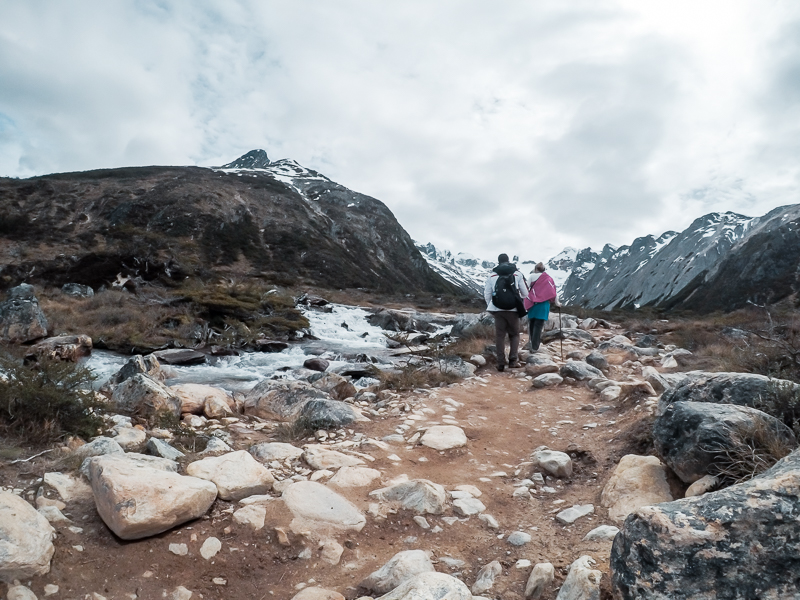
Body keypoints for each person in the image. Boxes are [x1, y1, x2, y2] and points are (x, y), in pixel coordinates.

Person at [484, 253, 527, 371]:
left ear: (498, 262)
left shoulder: (492, 275)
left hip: (497, 309)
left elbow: (487, 293)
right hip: (513, 309)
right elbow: (525, 293)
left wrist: (491, 306)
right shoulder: (517, 273)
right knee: (514, 334)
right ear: (508, 261)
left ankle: (501, 363)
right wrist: (518, 300)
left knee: (500, 336)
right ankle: (513, 360)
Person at [523, 262, 560, 351]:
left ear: (536, 269)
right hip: (544, 305)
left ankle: (532, 343)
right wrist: (557, 303)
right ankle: (535, 347)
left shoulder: (532, 277)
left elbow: (526, 289)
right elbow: (553, 292)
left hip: (533, 304)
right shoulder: (549, 279)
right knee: (538, 325)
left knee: (532, 323)